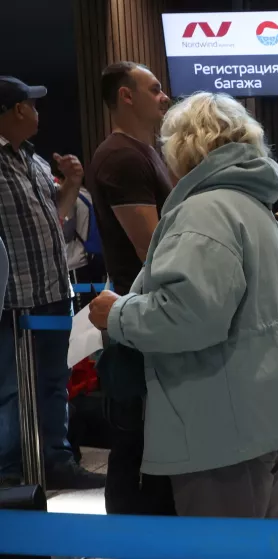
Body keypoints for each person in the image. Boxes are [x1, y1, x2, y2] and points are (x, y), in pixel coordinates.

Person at [86, 91, 278, 518]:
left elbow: (189, 316)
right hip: (261, 412)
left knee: (224, 546)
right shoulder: (251, 206)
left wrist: (115, 314)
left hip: (221, 427)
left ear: (184, 146)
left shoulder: (205, 212)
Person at [0, 76, 104, 489]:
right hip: (9, 300)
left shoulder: (35, 160)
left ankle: (55, 462)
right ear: (15, 110)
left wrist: (73, 185)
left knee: (54, 381)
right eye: (31, 104)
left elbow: (56, 219)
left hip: (53, 292)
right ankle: (9, 472)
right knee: (9, 389)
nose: (38, 111)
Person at [85, 62, 176, 515]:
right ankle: (129, 538)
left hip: (143, 313)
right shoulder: (122, 157)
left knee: (150, 441)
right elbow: (154, 250)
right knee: (136, 442)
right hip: (136, 318)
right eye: (155, 89)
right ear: (126, 96)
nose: (164, 97)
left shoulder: (144, 151)